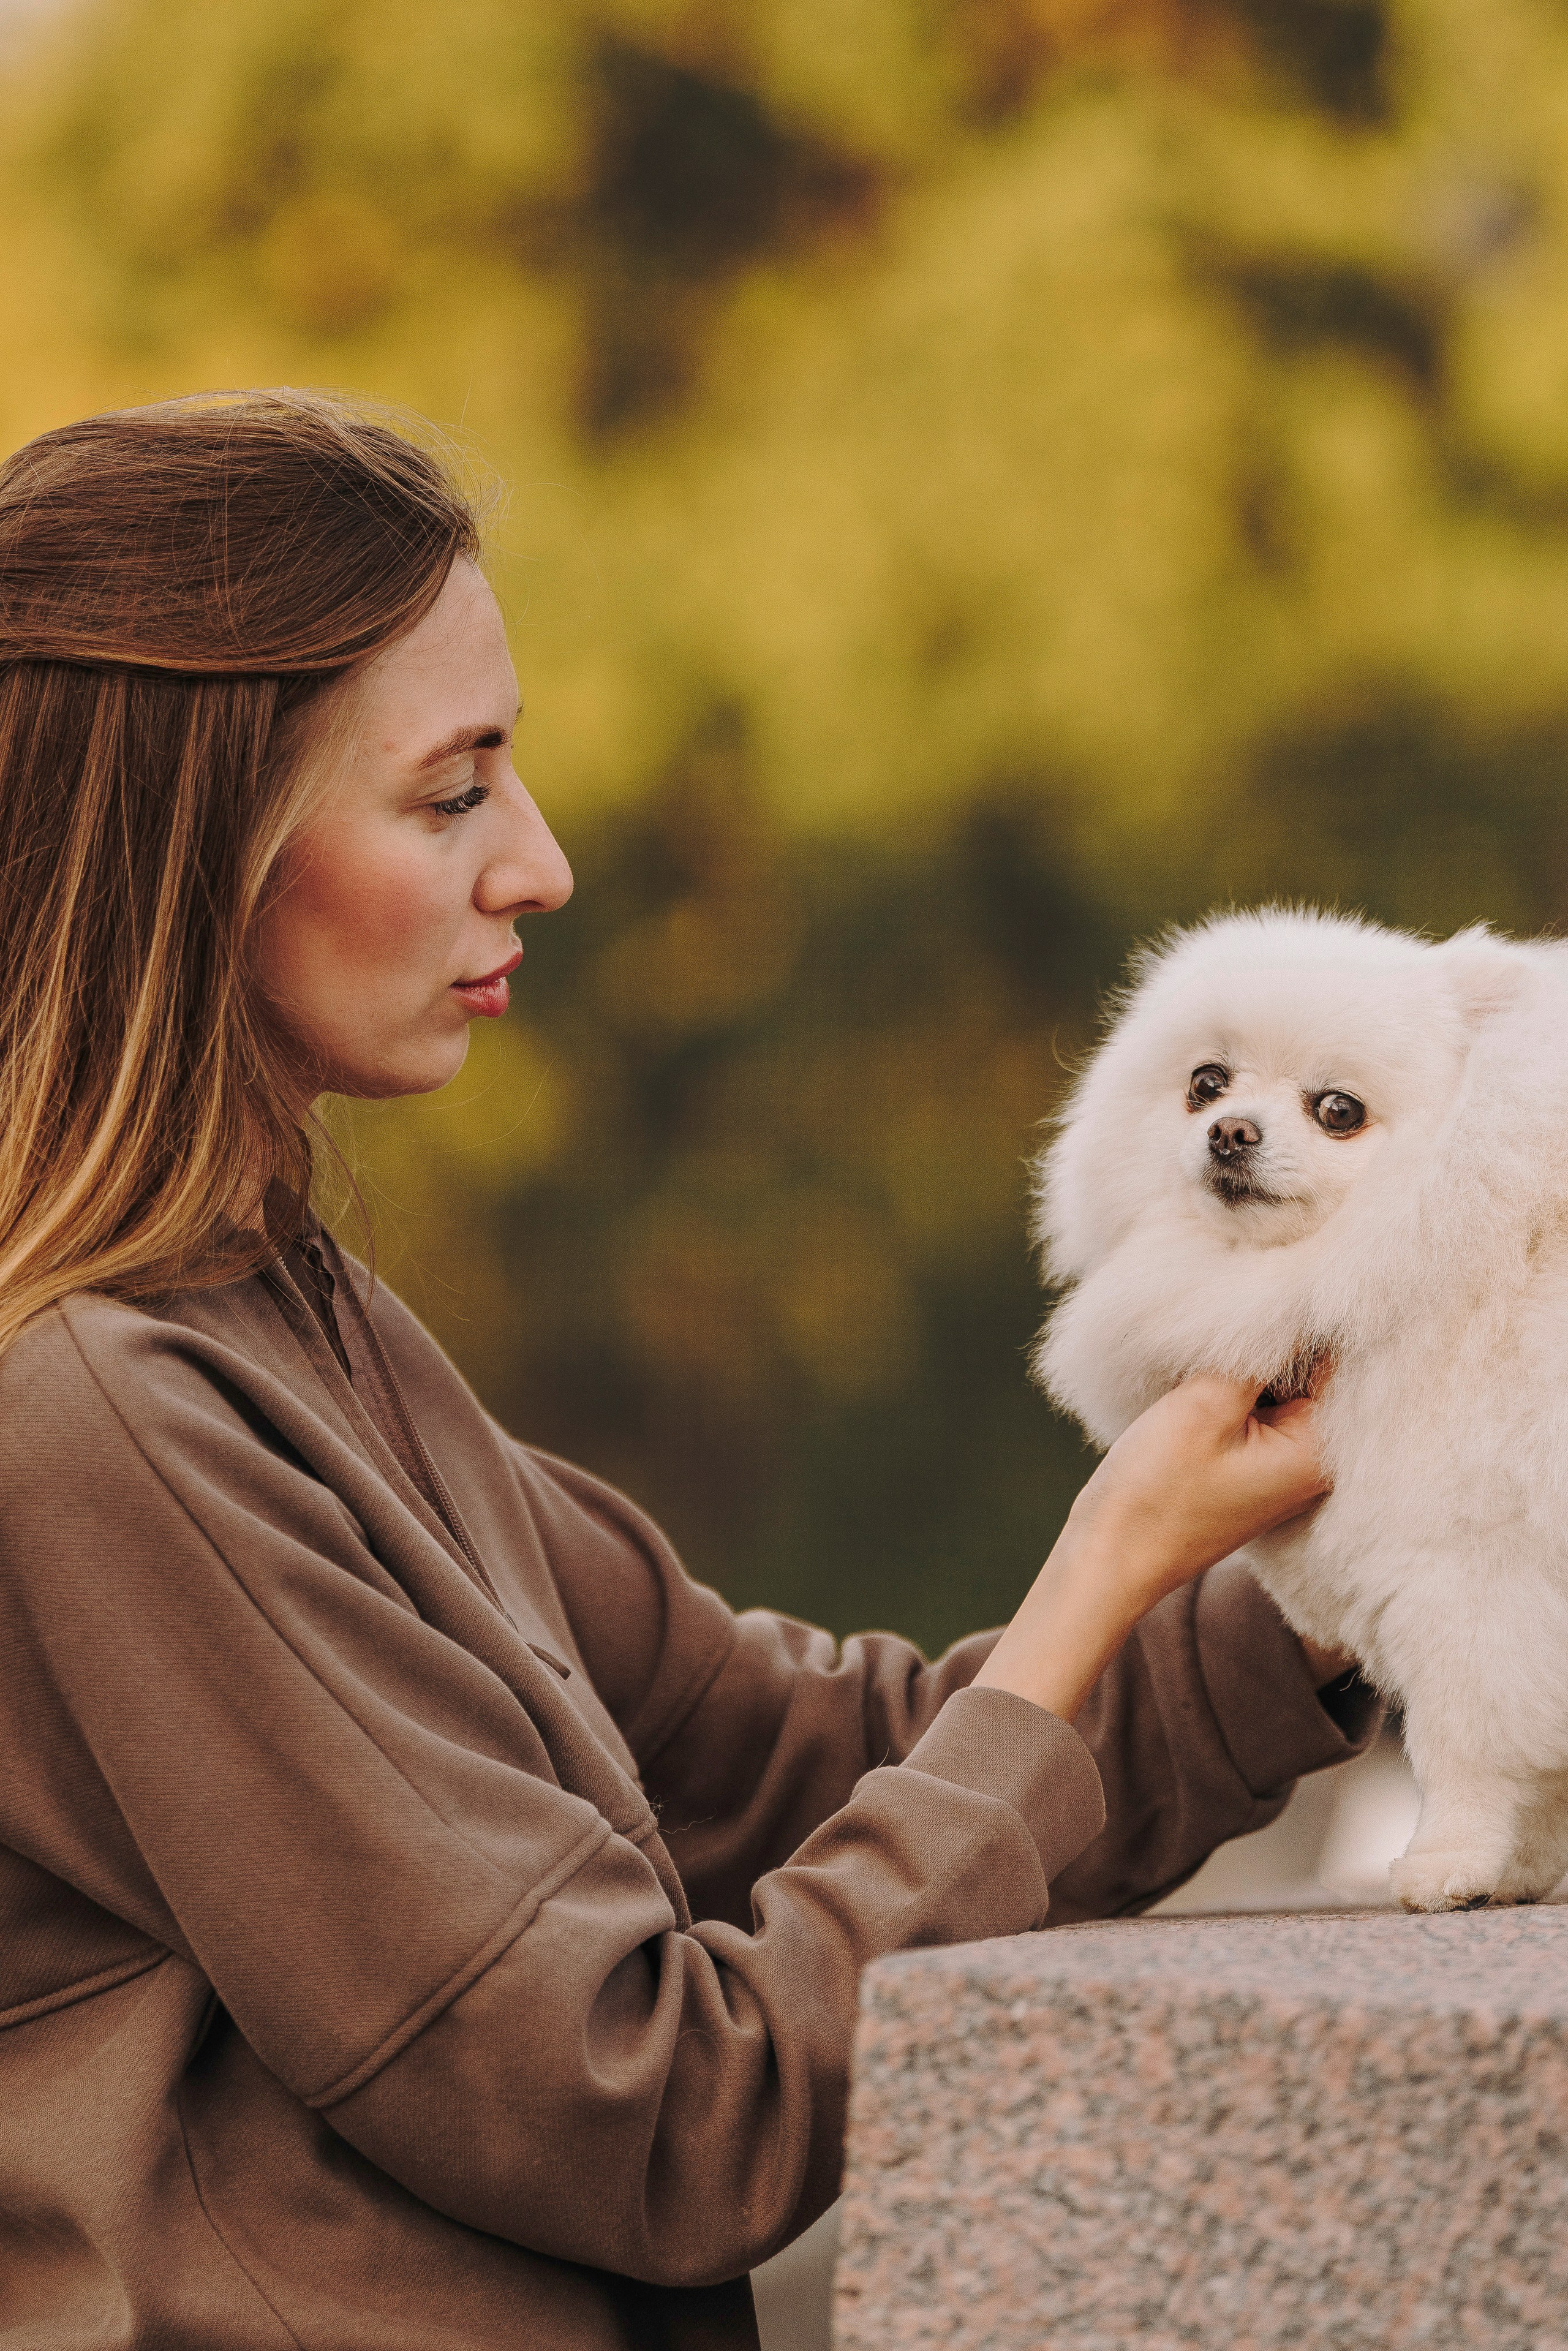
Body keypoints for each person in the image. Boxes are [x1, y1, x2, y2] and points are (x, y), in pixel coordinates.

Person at [0, 393, 1375, 2351]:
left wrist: (1347, 1558)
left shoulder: (289, 1325)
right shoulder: (96, 1416)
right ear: (195, 846)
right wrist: (1104, 1563)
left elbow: (812, 1763)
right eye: (452, 793)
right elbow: (654, 2115)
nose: (541, 865)